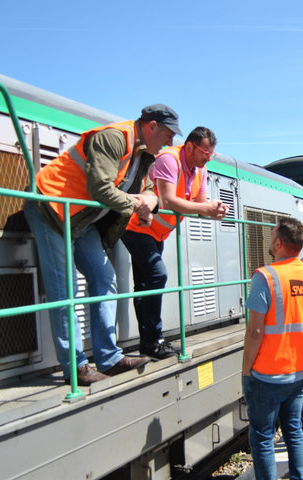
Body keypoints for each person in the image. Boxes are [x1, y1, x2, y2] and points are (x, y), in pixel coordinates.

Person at [24, 105, 178, 385]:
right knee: (65, 289)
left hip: (82, 217)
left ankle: (109, 357)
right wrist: (137, 206)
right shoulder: (113, 138)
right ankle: (76, 366)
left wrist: (150, 201)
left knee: (104, 276)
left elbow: (145, 187)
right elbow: (101, 188)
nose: (170, 143)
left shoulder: (142, 152)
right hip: (53, 208)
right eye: (168, 135)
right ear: (152, 126)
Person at [229, 218, 303, 480]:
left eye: (271, 237)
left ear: (279, 243)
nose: (269, 241)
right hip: (300, 370)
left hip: (268, 373)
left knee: (264, 440)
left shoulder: (265, 277)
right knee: (294, 433)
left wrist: (246, 370)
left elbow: (255, 330)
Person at [122, 127, 229, 359]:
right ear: (189, 146)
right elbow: (168, 201)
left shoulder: (201, 170)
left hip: (157, 233)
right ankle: (153, 340)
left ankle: (148, 343)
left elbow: (201, 206)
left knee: (144, 285)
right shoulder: (169, 159)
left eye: (211, 155)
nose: (207, 158)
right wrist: (205, 208)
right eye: (204, 153)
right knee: (157, 276)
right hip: (136, 226)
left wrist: (215, 209)